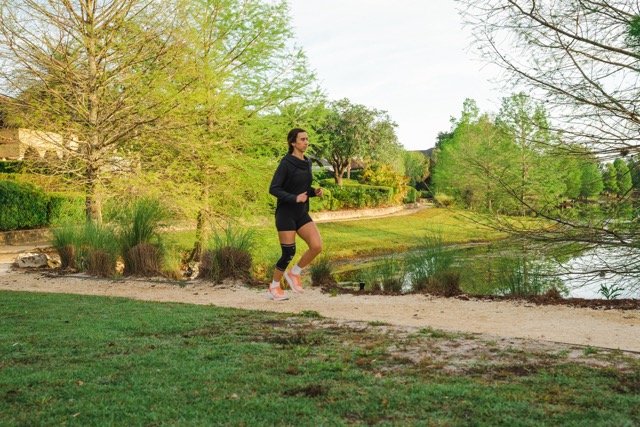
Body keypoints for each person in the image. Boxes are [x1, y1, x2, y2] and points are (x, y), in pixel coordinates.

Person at [267, 128, 323, 301]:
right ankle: (274, 286)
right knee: (288, 253)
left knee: (316, 246)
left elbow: (303, 188)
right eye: (302, 139)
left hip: (301, 213)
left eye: (307, 139)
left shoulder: (307, 162)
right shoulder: (286, 163)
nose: (306, 142)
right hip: (286, 214)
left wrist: (314, 191)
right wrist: (294, 198)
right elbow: (274, 188)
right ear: (293, 143)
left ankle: (294, 273)